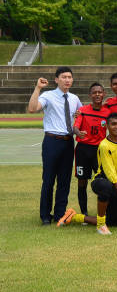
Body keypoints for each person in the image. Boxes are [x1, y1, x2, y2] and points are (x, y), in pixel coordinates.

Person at [56, 112, 117, 234]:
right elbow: (110, 172)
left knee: (114, 222)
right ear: (107, 126)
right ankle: (101, 226)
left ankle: (74, 216)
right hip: (101, 181)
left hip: (115, 185)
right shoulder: (104, 145)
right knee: (105, 187)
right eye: (113, 124)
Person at [28, 66, 82, 225]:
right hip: (52, 141)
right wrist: (38, 88)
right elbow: (32, 109)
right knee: (49, 180)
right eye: (64, 77)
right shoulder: (48, 95)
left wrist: (79, 117)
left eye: (69, 77)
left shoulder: (74, 98)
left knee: (64, 181)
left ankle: (59, 214)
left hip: (68, 142)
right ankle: (45, 215)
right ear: (56, 79)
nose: (67, 80)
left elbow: (81, 115)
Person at [73, 82, 111, 217]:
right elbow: (75, 127)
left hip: (99, 151)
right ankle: (84, 214)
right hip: (83, 150)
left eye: (100, 92)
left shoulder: (107, 112)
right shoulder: (82, 110)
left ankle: (106, 213)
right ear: (90, 95)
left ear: (104, 94)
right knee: (82, 181)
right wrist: (78, 132)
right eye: (94, 92)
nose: (97, 95)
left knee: (104, 182)